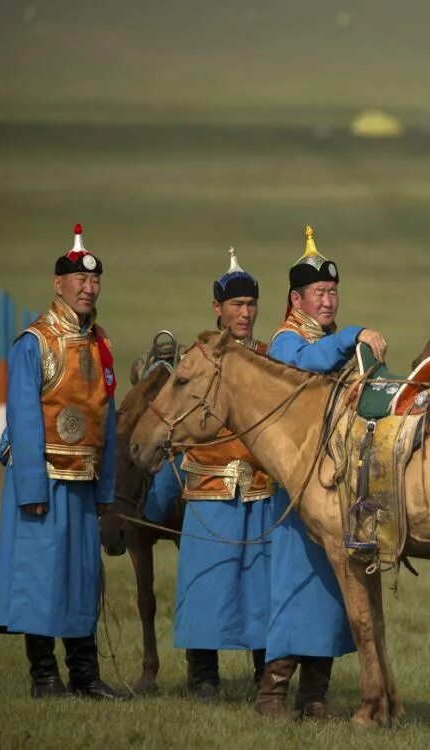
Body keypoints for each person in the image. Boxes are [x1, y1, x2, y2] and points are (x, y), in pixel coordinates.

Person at [255, 226, 387, 720]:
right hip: (295, 495)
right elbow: (308, 364)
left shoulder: (330, 341)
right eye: (320, 293)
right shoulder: (288, 343)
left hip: (332, 489)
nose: (329, 301)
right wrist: (355, 335)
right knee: (297, 589)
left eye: (333, 293)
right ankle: (270, 696)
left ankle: (315, 696)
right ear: (296, 298)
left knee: (334, 596)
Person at [0, 224, 125, 700]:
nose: (88, 288)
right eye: (79, 280)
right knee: (42, 578)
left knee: (82, 577)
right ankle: (45, 677)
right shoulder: (35, 342)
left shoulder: (98, 342)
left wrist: (106, 492)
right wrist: (31, 491)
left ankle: (85, 677)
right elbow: (23, 421)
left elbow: (107, 419)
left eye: (95, 281)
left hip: (84, 483)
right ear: (58, 284)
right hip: (44, 482)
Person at [164, 248, 275, 700]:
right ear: (218, 309)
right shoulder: (197, 359)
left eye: (250, 305)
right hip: (209, 483)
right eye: (236, 305)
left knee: (261, 585)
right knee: (206, 581)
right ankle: (203, 675)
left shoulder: (271, 359)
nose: (244, 313)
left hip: (262, 487)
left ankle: (265, 673)